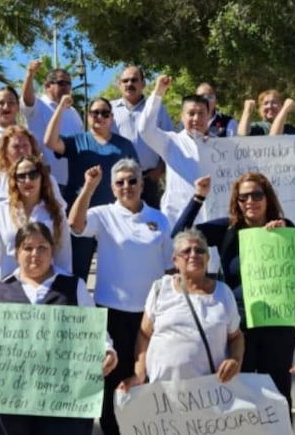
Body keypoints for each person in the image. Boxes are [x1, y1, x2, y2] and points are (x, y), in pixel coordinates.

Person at [0, 222, 116, 435]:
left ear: (52, 251)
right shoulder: (1, 289)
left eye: (42, 247)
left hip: (63, 397)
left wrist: (107, 350)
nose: (35, 254)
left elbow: (95, 331)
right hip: (13, 397)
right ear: (16, 253)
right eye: (28, 248)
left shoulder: (74, 286)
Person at [171, 173, 295, 408]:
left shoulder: (285, 227)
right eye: (243, 197)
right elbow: (179, 235)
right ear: (236, 202)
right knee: (240, 397)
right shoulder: (227, 229)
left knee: (279, 396)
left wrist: (285, 236)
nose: (250, 201)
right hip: (240, 328)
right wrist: (198, 197)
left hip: (277, 325)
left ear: (267, 198)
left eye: (256, 195)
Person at [69, 160, 173, 435]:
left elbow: (169, 268)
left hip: (150, 315)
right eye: (120, 182)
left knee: (145, 376)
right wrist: (89, 187)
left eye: (132, 180)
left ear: (142, 184)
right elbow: (75, 225)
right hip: (112, 311)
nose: (127, 186)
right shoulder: (103, 214)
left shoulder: (160, 219)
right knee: (112, 379)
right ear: (113, 188)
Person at [119, 229, 243, 388]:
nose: (194, 254)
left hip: (210, 391)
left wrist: (235, 360)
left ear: (208, 258)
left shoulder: (223, 293)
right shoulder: (161, 288)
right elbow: (144, 335)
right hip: (162, 392)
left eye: (200, 251)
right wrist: (139, 374)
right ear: (175, 261)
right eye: (186, 251)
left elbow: (236, 337)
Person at [0, 127, 67, 298]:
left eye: (25, 145)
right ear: (5, 151)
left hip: (37, 260)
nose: (21, 150)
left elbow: (59, 215)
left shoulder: (47, 179)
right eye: (16, 146)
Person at [46, 94, 139, 280]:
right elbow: (50, 141)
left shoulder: (125, 145)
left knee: (115, 274)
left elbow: (135, 179)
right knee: (77, 274)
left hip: (114, 219)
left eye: (105, 113)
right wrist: (60, 108)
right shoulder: (77, 141)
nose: (99, 117)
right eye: (95, 112)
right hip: (81, 217)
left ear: (111, 118)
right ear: (88, 116)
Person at [0, 155, 71, 281]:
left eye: (33, 174)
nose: (27, 180)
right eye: (21, 176)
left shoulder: (56, 211)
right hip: (9, 285)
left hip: (46, 286)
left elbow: (63, 256)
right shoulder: (0, 209)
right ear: (14, 180)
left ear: (42, 177)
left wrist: (64, 286)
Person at [139, 74, 208, 225]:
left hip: (210, 219)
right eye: (191, 114)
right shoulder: (171, 142)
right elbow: (145, 129)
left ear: (208, 116)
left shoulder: (218, 146)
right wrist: (158, 93)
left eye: (201, 113)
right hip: (178, 218)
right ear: (182, 117)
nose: (196, 119)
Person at [110, 65, 171, 209]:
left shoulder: (156, 108)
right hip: (120, 180)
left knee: (151, 219)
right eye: (125, 81)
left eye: (134, 80)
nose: (129, 84)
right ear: (119, 85)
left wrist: (161, 169)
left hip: (149, 179)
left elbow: (169, 141)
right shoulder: (109, 110)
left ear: (143, 84)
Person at [23, 67, 84, 195]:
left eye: (68, 83)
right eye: (61, 83)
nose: (66, 87)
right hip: (45, 180)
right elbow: (27, 99)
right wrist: (30, 75)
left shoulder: (73, 112)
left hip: (72, 181)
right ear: (47, 85)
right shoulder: (38, 105)